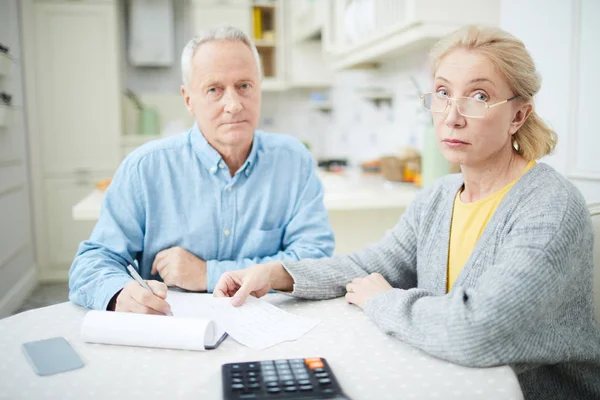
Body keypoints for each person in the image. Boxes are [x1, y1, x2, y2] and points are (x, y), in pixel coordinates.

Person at [214, 25, 600, 398]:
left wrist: (382, 301)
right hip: (451, 382)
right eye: (443, 93)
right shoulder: (439, 196)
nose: (452, 115)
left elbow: (479, 331)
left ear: (518, 116)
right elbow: (375, 264)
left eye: (478, 97)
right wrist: (278, 273)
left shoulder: (550, 206)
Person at [68, 26, 334, 315]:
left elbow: (315, 260)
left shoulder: (293, 161)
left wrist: (206, 273)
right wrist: (119, 293)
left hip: (270, 328)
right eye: (214, 90)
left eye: (244, 86)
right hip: (172, 334)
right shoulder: (145, 168)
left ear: (259, 87)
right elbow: (92, 264)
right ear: (188, 99)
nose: (233, 105)